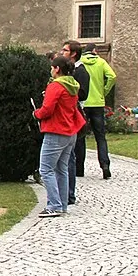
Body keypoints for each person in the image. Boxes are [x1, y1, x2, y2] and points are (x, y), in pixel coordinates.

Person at [32, 57, 85, 218]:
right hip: (70, 131)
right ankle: (62, 204)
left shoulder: (55, 86)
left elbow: (47, 110)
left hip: (56, 131)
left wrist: (36, 113)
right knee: (62, 169)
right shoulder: (72, 86)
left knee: (46, 169)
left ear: (56, 69)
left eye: (52, 68)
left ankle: (53, 205)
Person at [57, 41, 93, 199]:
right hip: (67, 113)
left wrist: (66, 94)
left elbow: (83, 93)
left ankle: (69, 193)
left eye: (65, 50)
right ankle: (65, 192)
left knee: (69, 156)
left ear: (73, 54)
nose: (62, 52)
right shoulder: (70, 70)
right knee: (66, 156)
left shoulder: (81, 71)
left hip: (73, 113)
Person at [76, 44, 117, 179]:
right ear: (95, 51)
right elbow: (112, 76)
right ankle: (105, 165)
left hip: (84, 102)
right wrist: (104, 91)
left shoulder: (80, 64)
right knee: (100, 136)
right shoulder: (101, 62)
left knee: (81, 136)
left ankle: (79, 168)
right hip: (98, 103)